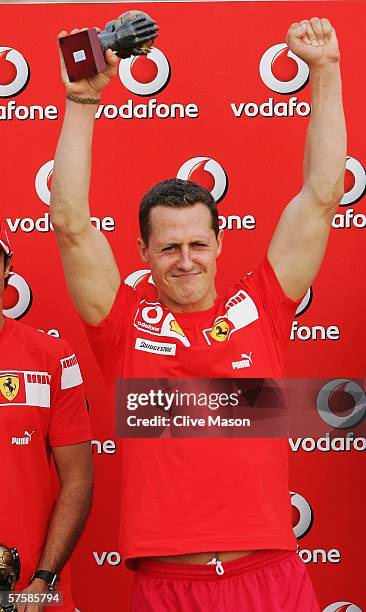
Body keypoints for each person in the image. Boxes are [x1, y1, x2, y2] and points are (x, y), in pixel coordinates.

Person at [51, 17, 346, 611]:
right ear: (143, 252)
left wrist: (327, 73)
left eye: (197, 244)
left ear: (218, 244)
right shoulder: (123, 324)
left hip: (270, 574)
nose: (185, 260)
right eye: (168, 246)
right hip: (169, 585)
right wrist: (81, 101)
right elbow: (71, 225)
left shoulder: (260, 306)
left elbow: (321, 195)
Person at [0, 224, 93, 612]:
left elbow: (78, 479)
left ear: (7, 267)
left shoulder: (52, 357)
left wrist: (44, 580)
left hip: (31, 595)